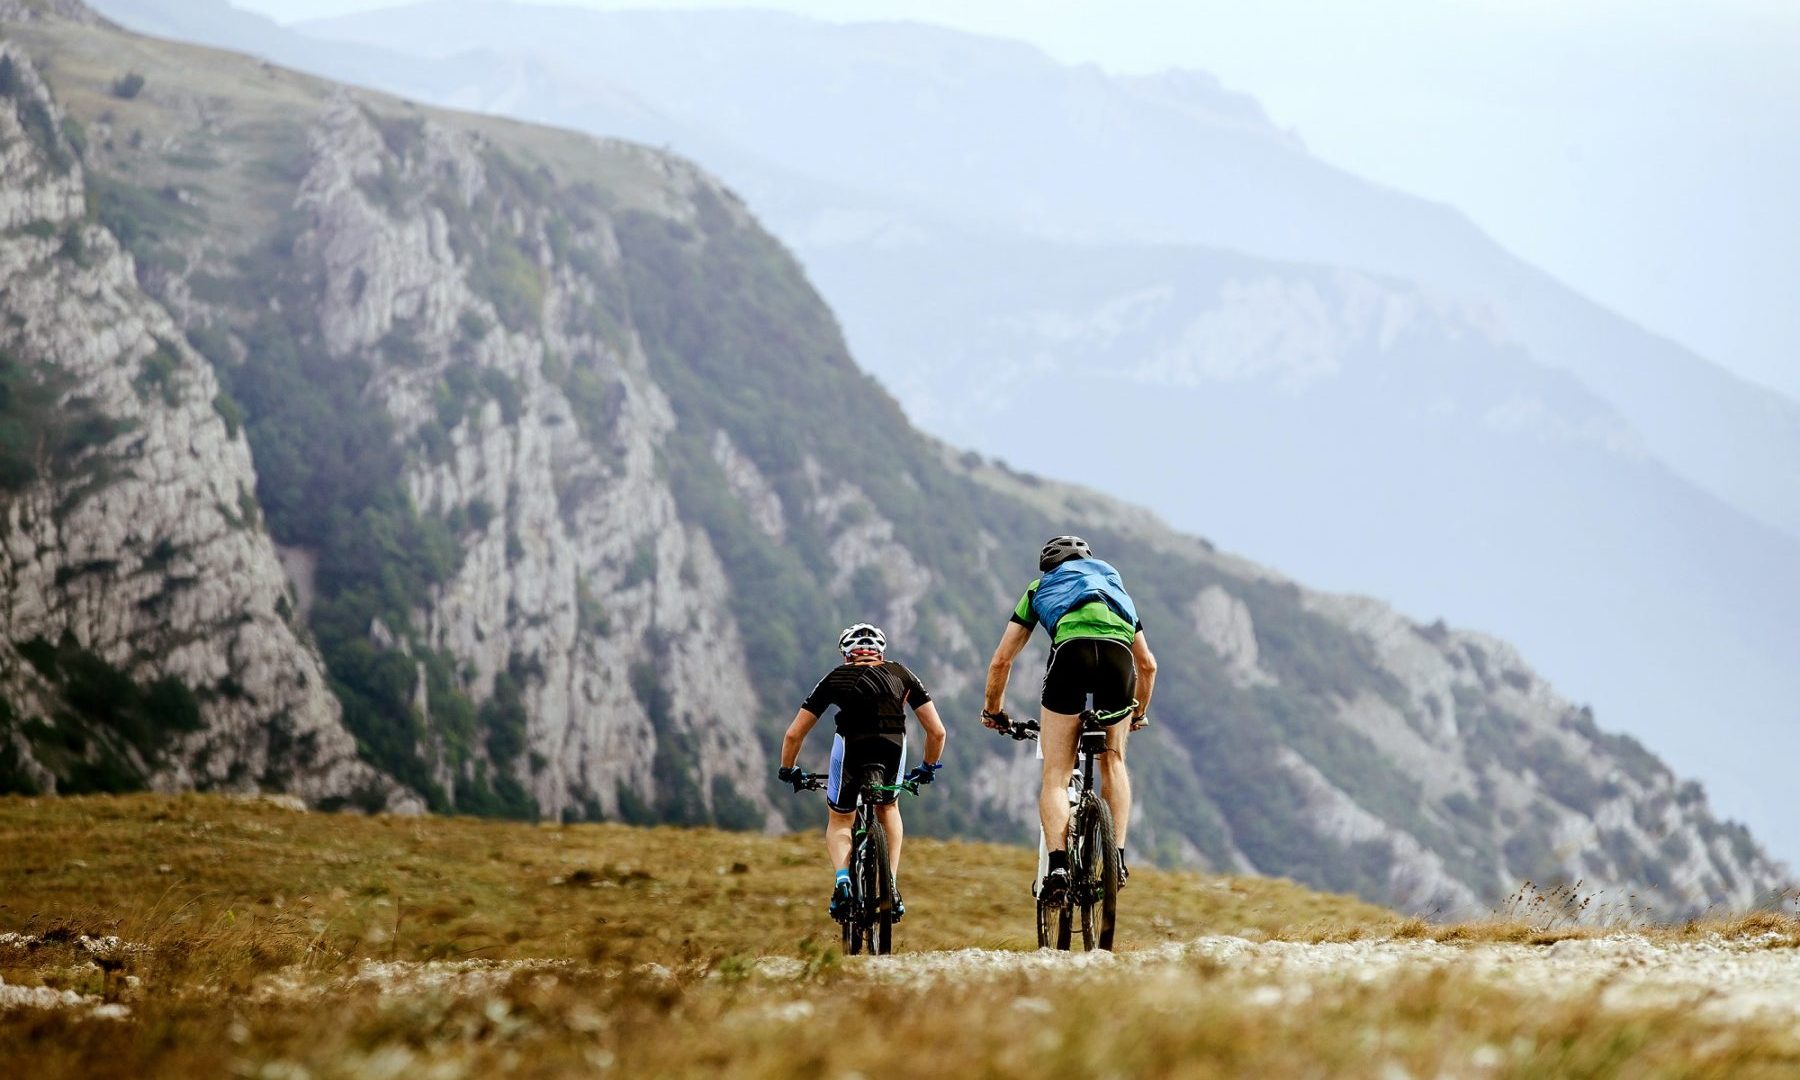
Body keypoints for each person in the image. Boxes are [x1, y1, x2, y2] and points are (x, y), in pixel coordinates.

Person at [982, 535, 1157, 904]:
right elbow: (1148, 665)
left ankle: (1059, 868)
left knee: (1056, 775)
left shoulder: (1038, 588)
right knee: (1114, 762)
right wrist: (1138, 712)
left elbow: (1001, 660)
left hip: (1071, 657)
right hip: (1118, 661)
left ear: (1049, 565)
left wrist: (993, 710)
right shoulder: (1114, 584)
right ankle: (1117, 859)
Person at [778, 622, 947, 920]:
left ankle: (843, 880)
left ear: (847, 655)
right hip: (893, 746)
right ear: (881, 653)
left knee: (841, 816)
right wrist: (928, 767)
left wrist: (788, 769)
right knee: (889, 806)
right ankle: (891, 886)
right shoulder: (901, 674)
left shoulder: (836, 677)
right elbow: (937, 732)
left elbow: (793, 735)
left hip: (852, 747)